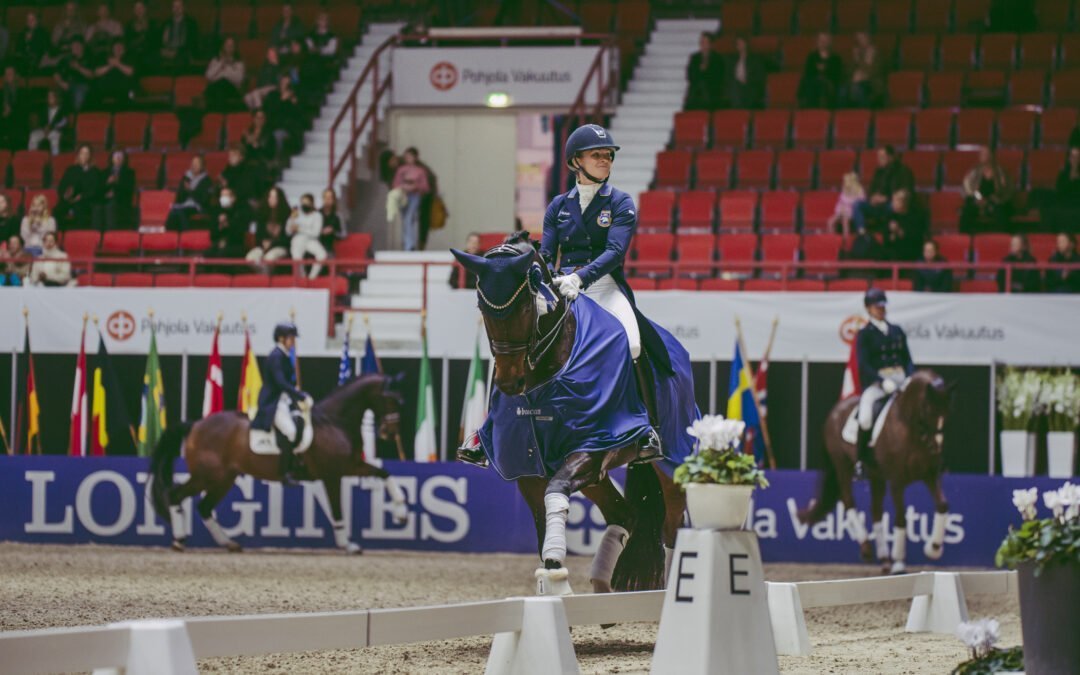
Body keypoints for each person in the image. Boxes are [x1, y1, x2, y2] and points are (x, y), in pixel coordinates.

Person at [540, 123, 663, 462]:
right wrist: (545, 274)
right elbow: (548, 253)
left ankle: (646, 428)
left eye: (608, 155)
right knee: (519, 339)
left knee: (634, 343)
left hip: (604, 286)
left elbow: (614, 253)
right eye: (597, 155)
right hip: (563, 288)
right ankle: (488, 429)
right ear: (575, 161)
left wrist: (580, 278)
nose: (605, 160)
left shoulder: (621, 202)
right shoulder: (558, 206)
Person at [854, 287, 915, 478]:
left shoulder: (897, 331)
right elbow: (863, 365)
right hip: (878, 382)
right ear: (868, 309)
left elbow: (908, 359)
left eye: (882, 306)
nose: (881, 310)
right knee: (864, 418)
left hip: (900, 378)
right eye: (876, 307)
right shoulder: (865, 334)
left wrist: (909, 377)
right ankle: (860, 460)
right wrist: (881, 382)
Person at [252, 321, 312, 484]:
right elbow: (280, 382)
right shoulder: (276, 356)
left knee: (300, 421)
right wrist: (299, 395)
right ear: (281, 338)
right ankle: (284, 472)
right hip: (273, 402)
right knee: (290, 431)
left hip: (285, 400)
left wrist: (298, 394)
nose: (293, 341)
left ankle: (296, 462)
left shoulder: (284, 355)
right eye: (291, 338)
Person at [852, 146, 916, 233]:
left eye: (882, 157)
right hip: (877, 205)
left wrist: (886, 199)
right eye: (878, 157)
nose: (879, 160)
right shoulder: (878, 171)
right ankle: (862, 233)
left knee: (894, 207)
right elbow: (872, 189)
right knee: (857, 204)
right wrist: (872, 198)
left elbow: (905, 193)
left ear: (891, 157)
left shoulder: (903, 171)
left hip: (891, 204)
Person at [961, 147, 1012, 233]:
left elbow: (1006, 190)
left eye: (986, 154)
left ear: (991, 156)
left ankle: (1002, 239)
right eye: (982, 154)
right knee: (966, 211)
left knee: (1002, 213)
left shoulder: (999, 171)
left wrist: (992, 200)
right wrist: (978, 198)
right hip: (978, 200)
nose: (984, 156)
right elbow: (967, 187)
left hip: (995, 201)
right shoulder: (975, 171)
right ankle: (964, 239)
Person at [392, 147, 430, 251]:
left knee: (410, 218)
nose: (408, 159)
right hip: (403, 196)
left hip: (415, 196)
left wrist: (415, 186)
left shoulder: (420, 171)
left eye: (410, 157)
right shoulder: (401, 170)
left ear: (415, 158)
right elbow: (396, 184)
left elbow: (425, 187)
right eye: (406, 157)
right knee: (406, 220)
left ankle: (409, 245)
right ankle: (407, 243)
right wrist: (403, 187)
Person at [55, 144, 102, 229]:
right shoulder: (71, 170)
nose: (84, 156)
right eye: (82, 153)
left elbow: (95, 190)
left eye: (86, 153)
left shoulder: (95, 171)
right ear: (78, 155)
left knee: (79, 208)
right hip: (69, 200)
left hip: (86, 201)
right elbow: (62, 186)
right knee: (57, 210)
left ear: (90, 156)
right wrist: (66, 194)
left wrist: (81, 196)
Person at [166, 155, 212, 231]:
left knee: (180, 213)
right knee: (173, 212)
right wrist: (184, 190)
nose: (194, 166)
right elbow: (179, 197)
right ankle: (169, 235)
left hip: (197, 206)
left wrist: (190, 191)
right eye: (193, 164)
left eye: (197, 164)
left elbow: (203, 199)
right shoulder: (186, 178)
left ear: (202, 166)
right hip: (184, 204)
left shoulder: (206, 181)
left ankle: (186, 235)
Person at [286, 192, 327, 279]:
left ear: (312, 203)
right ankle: (302, 278)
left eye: (307, 203)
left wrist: (300, 229)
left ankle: (312, 278)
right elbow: (287, 231)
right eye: (303, 203)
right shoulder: (296, 213)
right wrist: (292, 225)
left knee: (322, 255)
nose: (304, 205)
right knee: (297, 257)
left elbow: (316, 233)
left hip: (311, 240)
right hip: (298, 239)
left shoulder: (317, 215)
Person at [798, 33, 844, 109]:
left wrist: (825, 70)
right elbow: (808, 72)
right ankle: (808, 108)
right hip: (814, 82)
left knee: (822, 84)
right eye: (821, 40)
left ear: (829, 42)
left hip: (829, 83)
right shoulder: (812, 57)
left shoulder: (835, 58)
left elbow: (837, 75)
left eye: (825, 40)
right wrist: (817, 70)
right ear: (817, 42)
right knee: (810, 83)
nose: (823, 43)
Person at [880, 189, 925, 262]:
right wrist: (891, 237)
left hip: (909, 253)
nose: (892, 203)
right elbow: (886, 239)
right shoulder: (890, 217)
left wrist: (898, 230)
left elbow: (915, 240)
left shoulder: (916, 217)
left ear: (904, 203)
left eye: (896, 200)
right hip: (892, 253)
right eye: (893, 200)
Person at [723, 36, 766, 109]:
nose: (740, 45)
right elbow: (728, 77)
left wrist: (747, 80)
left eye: (741, 43)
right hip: (735, 87)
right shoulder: (731, 60)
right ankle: (739, 110)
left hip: (750, 86)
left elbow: (760, 77)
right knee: (734, 85)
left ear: (746, 44)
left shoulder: (755, 59)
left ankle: (740, 110)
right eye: (738, 43)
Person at [204, 36, 245, 112]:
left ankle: (219, 114)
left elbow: (239, 79)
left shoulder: (238, 63)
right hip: (216, 88)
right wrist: (221, 63)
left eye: (231, 45)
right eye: (227, 45)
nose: (229, 48)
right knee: (219, 86)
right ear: (223, 46)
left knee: (223, 83)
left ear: (235, 48)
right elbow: (208, 76)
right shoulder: (215, 61)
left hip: (231, 89)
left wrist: (225, 70)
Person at [209, 187, 249, 262]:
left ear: (233, 198)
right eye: (222, 196)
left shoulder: (240, 212)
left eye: (226, 195)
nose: (223, 198)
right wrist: (220, 226)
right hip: (218, 244)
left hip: (235, 245)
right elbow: (212, 235)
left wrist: (227, 224)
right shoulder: (216, 212)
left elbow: (239, 234)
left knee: (222, 254)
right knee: (208, 254)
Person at [54, 38, 94, 112]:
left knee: (79, 92)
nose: (75, 48)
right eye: (73, 46)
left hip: (83, 85)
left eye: (77, 46)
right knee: (53, 95)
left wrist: (78, 67)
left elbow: (91, 75)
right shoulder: (66, 59)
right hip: (67, 85)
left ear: (82, 47)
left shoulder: (89, 58)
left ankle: (76, 118)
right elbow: (56, 73)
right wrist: (61, 83)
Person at [846, 32, 884, 108]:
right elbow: (849, 71)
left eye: (863, 38)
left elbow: (874, 71)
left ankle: (863, 113)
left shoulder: (876, 54)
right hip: (856, 81)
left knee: (858, 88)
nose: (861, 42)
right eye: (859, 39)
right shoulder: (857, 53)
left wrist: (863, 75)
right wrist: (855, 60)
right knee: (843, 91)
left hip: (872, 82)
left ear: (869, 39)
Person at [93, 40, 136, 108]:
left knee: (129, 95)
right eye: (116, 48)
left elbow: (130, 72)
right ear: (112, 49)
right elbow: (97, 72)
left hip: (124, 88)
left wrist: (118, 64)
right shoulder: (105, 58)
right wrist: (110, 66)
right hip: (107, 87)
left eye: (120, 48)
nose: (118, 50)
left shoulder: (129, 58)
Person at [685, 33, 722, 111]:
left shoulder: (717, 59)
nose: (703, 45)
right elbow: (689, 76)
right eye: (701, 42)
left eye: (705, 42)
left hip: (711, 92)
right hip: (696, 93)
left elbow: (718, 78)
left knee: (705, 88)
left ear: (710, 44)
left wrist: (705, 71)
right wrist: (700, 70)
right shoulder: (694, 58)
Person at [160, 0, 198, 71]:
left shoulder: (191, 23)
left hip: (183, 52)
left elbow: (193, 43)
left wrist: (176, 52)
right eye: (174, 7)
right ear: (172, 9)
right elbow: (161, 41)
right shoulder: (166, 23)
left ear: (183, 8)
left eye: (179, 6)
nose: (177, 9)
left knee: (182, 58)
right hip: (168, 50)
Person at [28, 89, 69, 155]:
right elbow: (41, 121)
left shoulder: (62, 109)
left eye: (52, 97)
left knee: (54, 138)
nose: (49, 99)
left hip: (56, 131)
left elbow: (64, 123)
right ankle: (32, 157)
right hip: (44, 130)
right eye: (48, 97)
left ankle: (55, 159)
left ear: (56, 98)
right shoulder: (44, 109)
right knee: (33, 135)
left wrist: (51, 127)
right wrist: (44, 128)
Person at [103, 150, 136, 229]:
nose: (118, 158)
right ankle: (96, 235)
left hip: (122, 199)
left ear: (124, 159)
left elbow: (129, 189)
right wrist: (107, 182)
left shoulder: (129, 173)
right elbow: (100, 187)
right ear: (112, 158)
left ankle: (110, 233)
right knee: (97, 207)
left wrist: (115, 189)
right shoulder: (105, 172)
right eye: (116, 156)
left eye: (120, 156)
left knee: (111, 205)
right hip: (105, 198)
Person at [827, 172, 866, 239]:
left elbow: (860, 204)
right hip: (842, 210)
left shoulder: (860, 191)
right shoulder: (844, 190)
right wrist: (841, 210)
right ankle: (832, 239)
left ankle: (845, 240)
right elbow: (840, 202)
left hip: (852, 212)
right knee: (830, 221)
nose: (844, 182)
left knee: (845, 220)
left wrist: (847, 209)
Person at [124, 1, 156, 70]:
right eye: (136, 8)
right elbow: (127, 42)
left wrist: (144, 31)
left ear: (145, 9)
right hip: (134, 54)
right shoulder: (129, 25)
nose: (138, 10)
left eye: (140, 8)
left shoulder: (152, 23)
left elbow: (155, 42)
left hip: (148, 53)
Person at [318, 188, 341, 254]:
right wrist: (321, 232)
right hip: (317, 244)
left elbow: (343, 234)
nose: (327, 200)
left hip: (330, 246)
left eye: (330, 197)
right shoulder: (317, 214)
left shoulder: (338, 215)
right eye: (325, 197)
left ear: (333, 200)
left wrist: (332, 231)